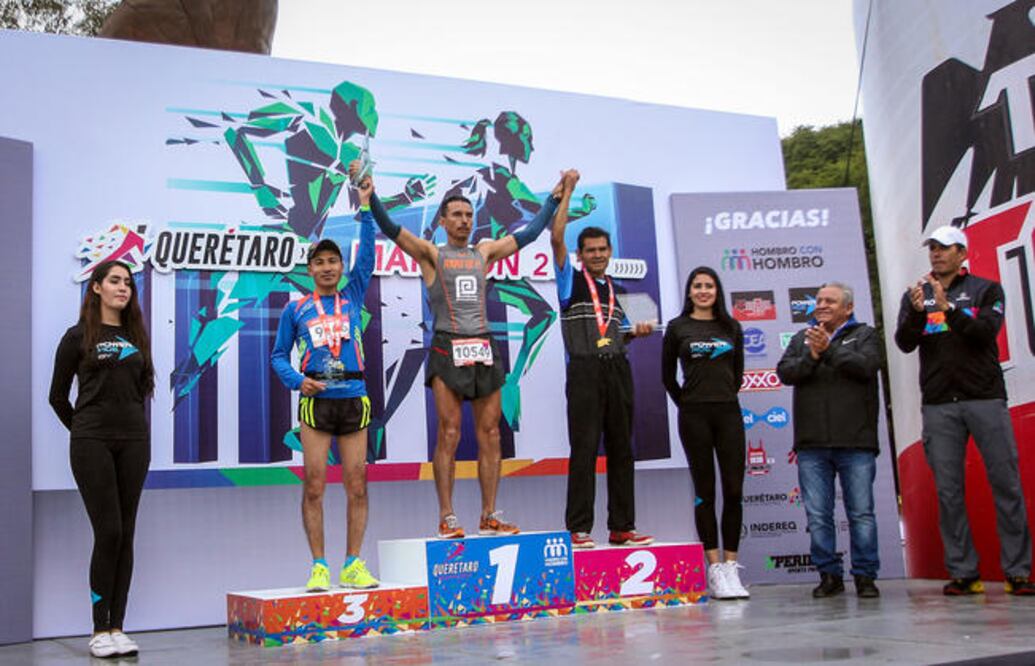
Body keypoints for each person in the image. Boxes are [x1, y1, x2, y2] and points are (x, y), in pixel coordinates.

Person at [359, 162, 565, 538]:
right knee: (450, 432)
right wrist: (370, 196)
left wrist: (552, 201)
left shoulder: (484, 252)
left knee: (490, 434)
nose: (464, 221)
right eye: (456, 215)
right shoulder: (429, 254)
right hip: (447, 346)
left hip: (484, 346)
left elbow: (530, 234)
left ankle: (489, 514)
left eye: (469, 215)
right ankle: (447, 516)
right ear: (442, 220)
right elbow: (390, 229)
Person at [894, 225, 1034, 596]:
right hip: (940, 404)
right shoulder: (916, 295)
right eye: (933, 249)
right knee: (948, 491)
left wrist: (947, 308)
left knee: (1006, 485)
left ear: (963, 254)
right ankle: (963, 572)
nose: (936, 254)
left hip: (985, 398)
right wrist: (914, 311)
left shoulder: (987, 290)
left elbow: (984, 334)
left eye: (944, 248)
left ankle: (1018, 572)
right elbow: (904, 344)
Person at [271, 173, 379, 592]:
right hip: (316, 404)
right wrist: (299, 381)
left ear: (340, 267)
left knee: (357, 484)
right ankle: (319, 565)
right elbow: (278, 356)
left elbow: (366, 256)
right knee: (314, 485)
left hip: (354, 398)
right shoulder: (296, 308)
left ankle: (352, 562)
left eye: (334, 261)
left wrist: (365, 206)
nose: (328, 267)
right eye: (320, 262)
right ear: (310, 268)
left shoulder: (352, 296)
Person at [49, 261, 155, 658]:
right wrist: (83, 430)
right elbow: (57, 396)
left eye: (128, 282)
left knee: (126, 533)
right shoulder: (77, 337)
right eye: (114, 281)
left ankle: (118, 627)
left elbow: (142, 388)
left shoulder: (137, 337)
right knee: (108, 531)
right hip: (91, 442)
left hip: (134, 442)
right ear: (96, 288)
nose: (123, 288)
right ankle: (98, 629)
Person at [551, 170, 655, 550]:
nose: (596, 255)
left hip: (617, 368)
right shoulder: (570, 281)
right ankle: (578, 528)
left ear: (610, 253)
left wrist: (638, 331)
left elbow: (620, 330)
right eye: (590, 250)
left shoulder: (621, 290)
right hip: (583, 370)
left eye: (602, 249)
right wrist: (568, 194)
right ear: (580, 256)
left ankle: (622, 527)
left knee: (622, 448)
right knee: (584, 447)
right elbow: (556, 236)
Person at [776, 282, 882, 599]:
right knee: (818, 516)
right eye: (819, 300)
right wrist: (812, 354)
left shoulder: (864, 335)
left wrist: (830, 349)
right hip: (812, 445)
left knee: (861, 513)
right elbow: (785, 372)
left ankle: (865, 576)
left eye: (830, 301)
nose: (821, 305)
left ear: (847, 308)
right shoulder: (802, 338)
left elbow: (866, 367)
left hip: (856, 443)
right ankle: (829, 576)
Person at [662, 267, 748, 599]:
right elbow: (667, 376)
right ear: (689, 292)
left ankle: (731, 568)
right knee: (705, 492)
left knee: (734, 490)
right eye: (697, 286)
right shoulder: (677, 327)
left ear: (717, 290)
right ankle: (713, 568)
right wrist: (687, 402)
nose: (703, 290)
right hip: (693, 415)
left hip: (728, 412)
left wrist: (720, 394)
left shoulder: (731, 327)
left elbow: (737, 374)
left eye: (708, 285)